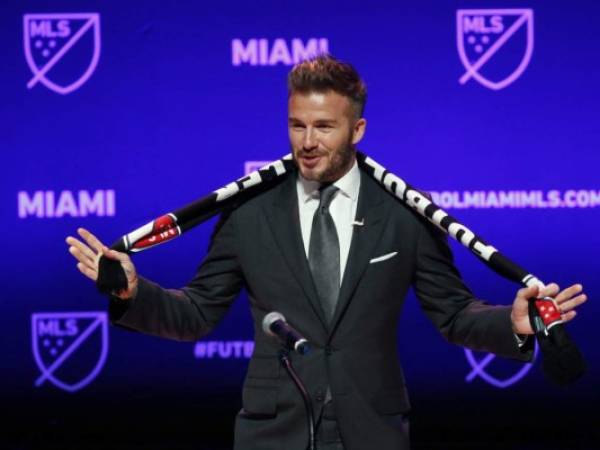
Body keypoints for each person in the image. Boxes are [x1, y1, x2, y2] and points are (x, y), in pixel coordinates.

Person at [66, 55, 587, 450]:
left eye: (324, 126)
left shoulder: (404, 213)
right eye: (297, 125)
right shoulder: (250, 211)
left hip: (372, 430)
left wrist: (514, 325)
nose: (307, 142)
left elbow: (452, 313)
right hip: (274, 433)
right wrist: (135, 293)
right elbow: (198, 312)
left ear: (357, 130)